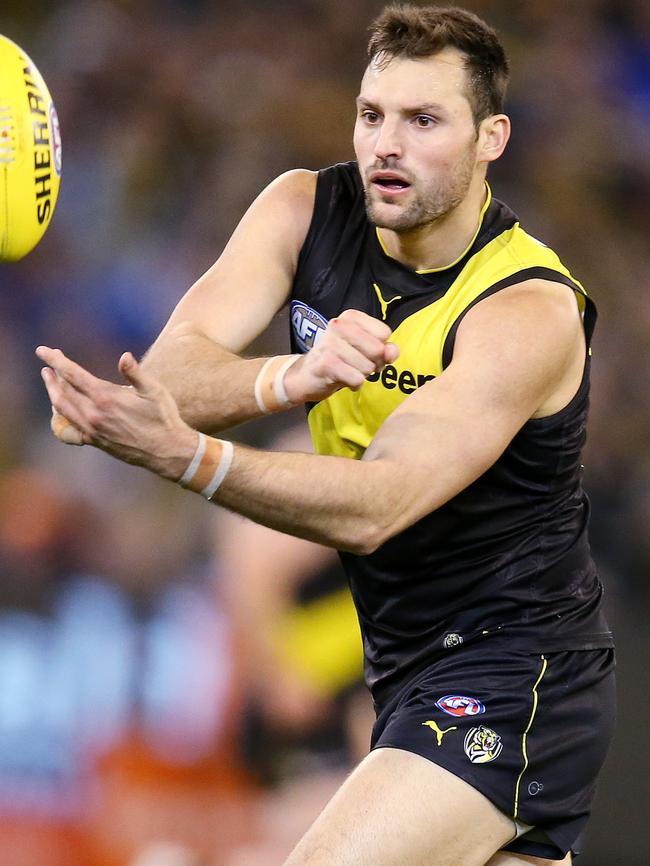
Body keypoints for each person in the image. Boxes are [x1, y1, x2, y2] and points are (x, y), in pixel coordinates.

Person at [36, 4, 615, 865]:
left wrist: (188, 457)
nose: (387, 143)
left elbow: (378, 504)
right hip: (402, 667)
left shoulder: (526, 309)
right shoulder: (306, 208)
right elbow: (169, 378)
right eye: (373, 113)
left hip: (514, 673)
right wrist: (287, 375)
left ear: (491, 138)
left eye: (424, 121)